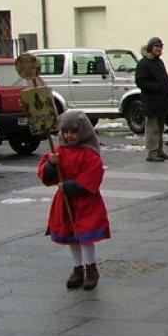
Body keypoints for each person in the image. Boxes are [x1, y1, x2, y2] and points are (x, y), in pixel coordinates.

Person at [37, 110, 110, 291]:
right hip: (65, 201)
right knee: (71, 236)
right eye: (66, 132)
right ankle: (77, 268)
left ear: (83, 132)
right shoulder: (58, 153)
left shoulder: (89, 154)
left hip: (85, 203)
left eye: (74, 132)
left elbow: (93, 175)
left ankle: (91, 268)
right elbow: (46, 175)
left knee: (85, 236)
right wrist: (51, 166)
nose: (70, 136)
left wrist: (71, 186)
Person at [135, 37, 168, 162]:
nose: (158, 49)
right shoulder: (143, 63)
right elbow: (140, 81)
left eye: (160, 46)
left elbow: (164, 78)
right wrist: (158, 87)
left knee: (160, 127)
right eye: (156, 46)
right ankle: (152, 152)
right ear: (151, 47)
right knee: (153, 128)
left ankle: (159, 150)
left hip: (162, 101)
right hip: (151, 101)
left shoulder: (159, 62)